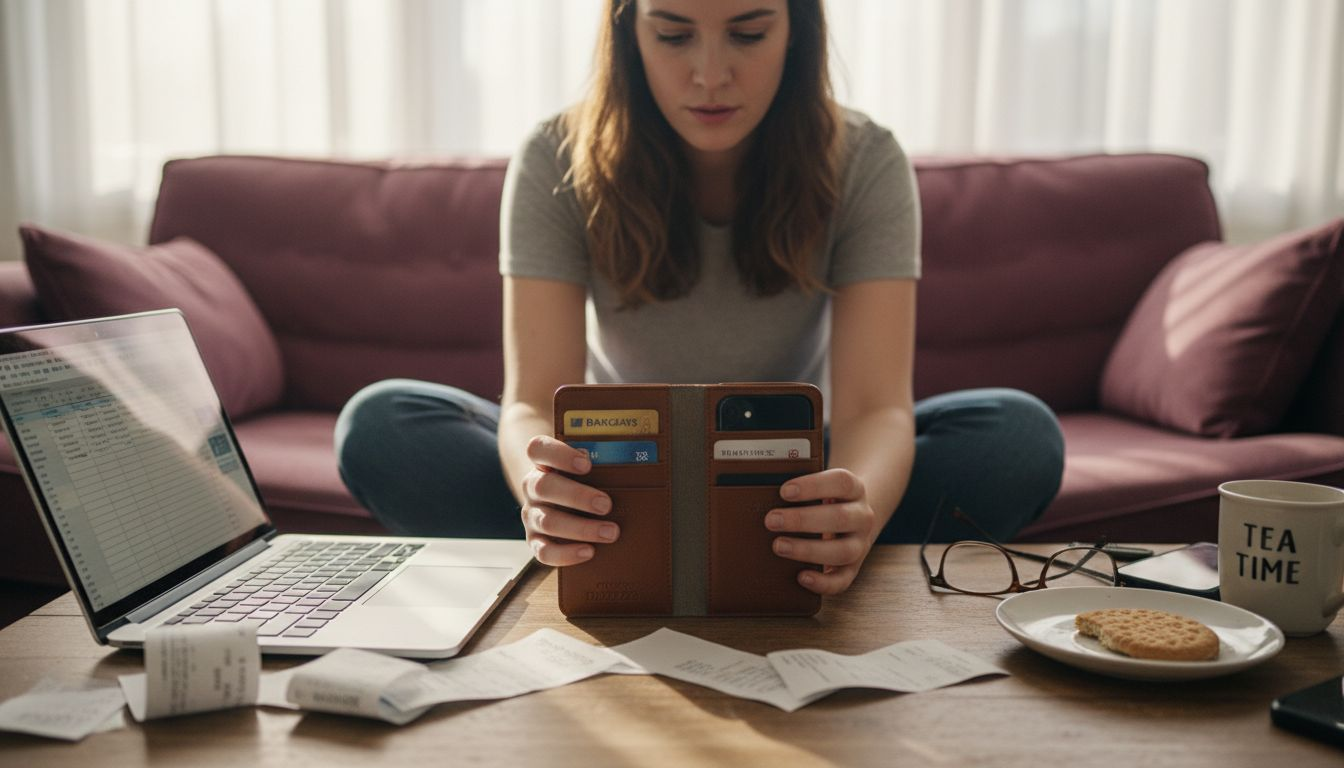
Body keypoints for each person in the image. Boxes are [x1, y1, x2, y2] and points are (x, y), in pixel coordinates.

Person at [335, 0, 1064, 596]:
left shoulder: (864, 159)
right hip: (616, 479)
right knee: (383, 423)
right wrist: (542, 489)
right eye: (673, 33)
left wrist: (858, 509)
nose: (710, 74)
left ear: (797, 29)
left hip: (787, 473)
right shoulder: (555, 156)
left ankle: (791, 550)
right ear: (627, 29)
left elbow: (876, 408)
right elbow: (532, 399)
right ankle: (620, 551)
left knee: (1016, 436)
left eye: (748, 32)